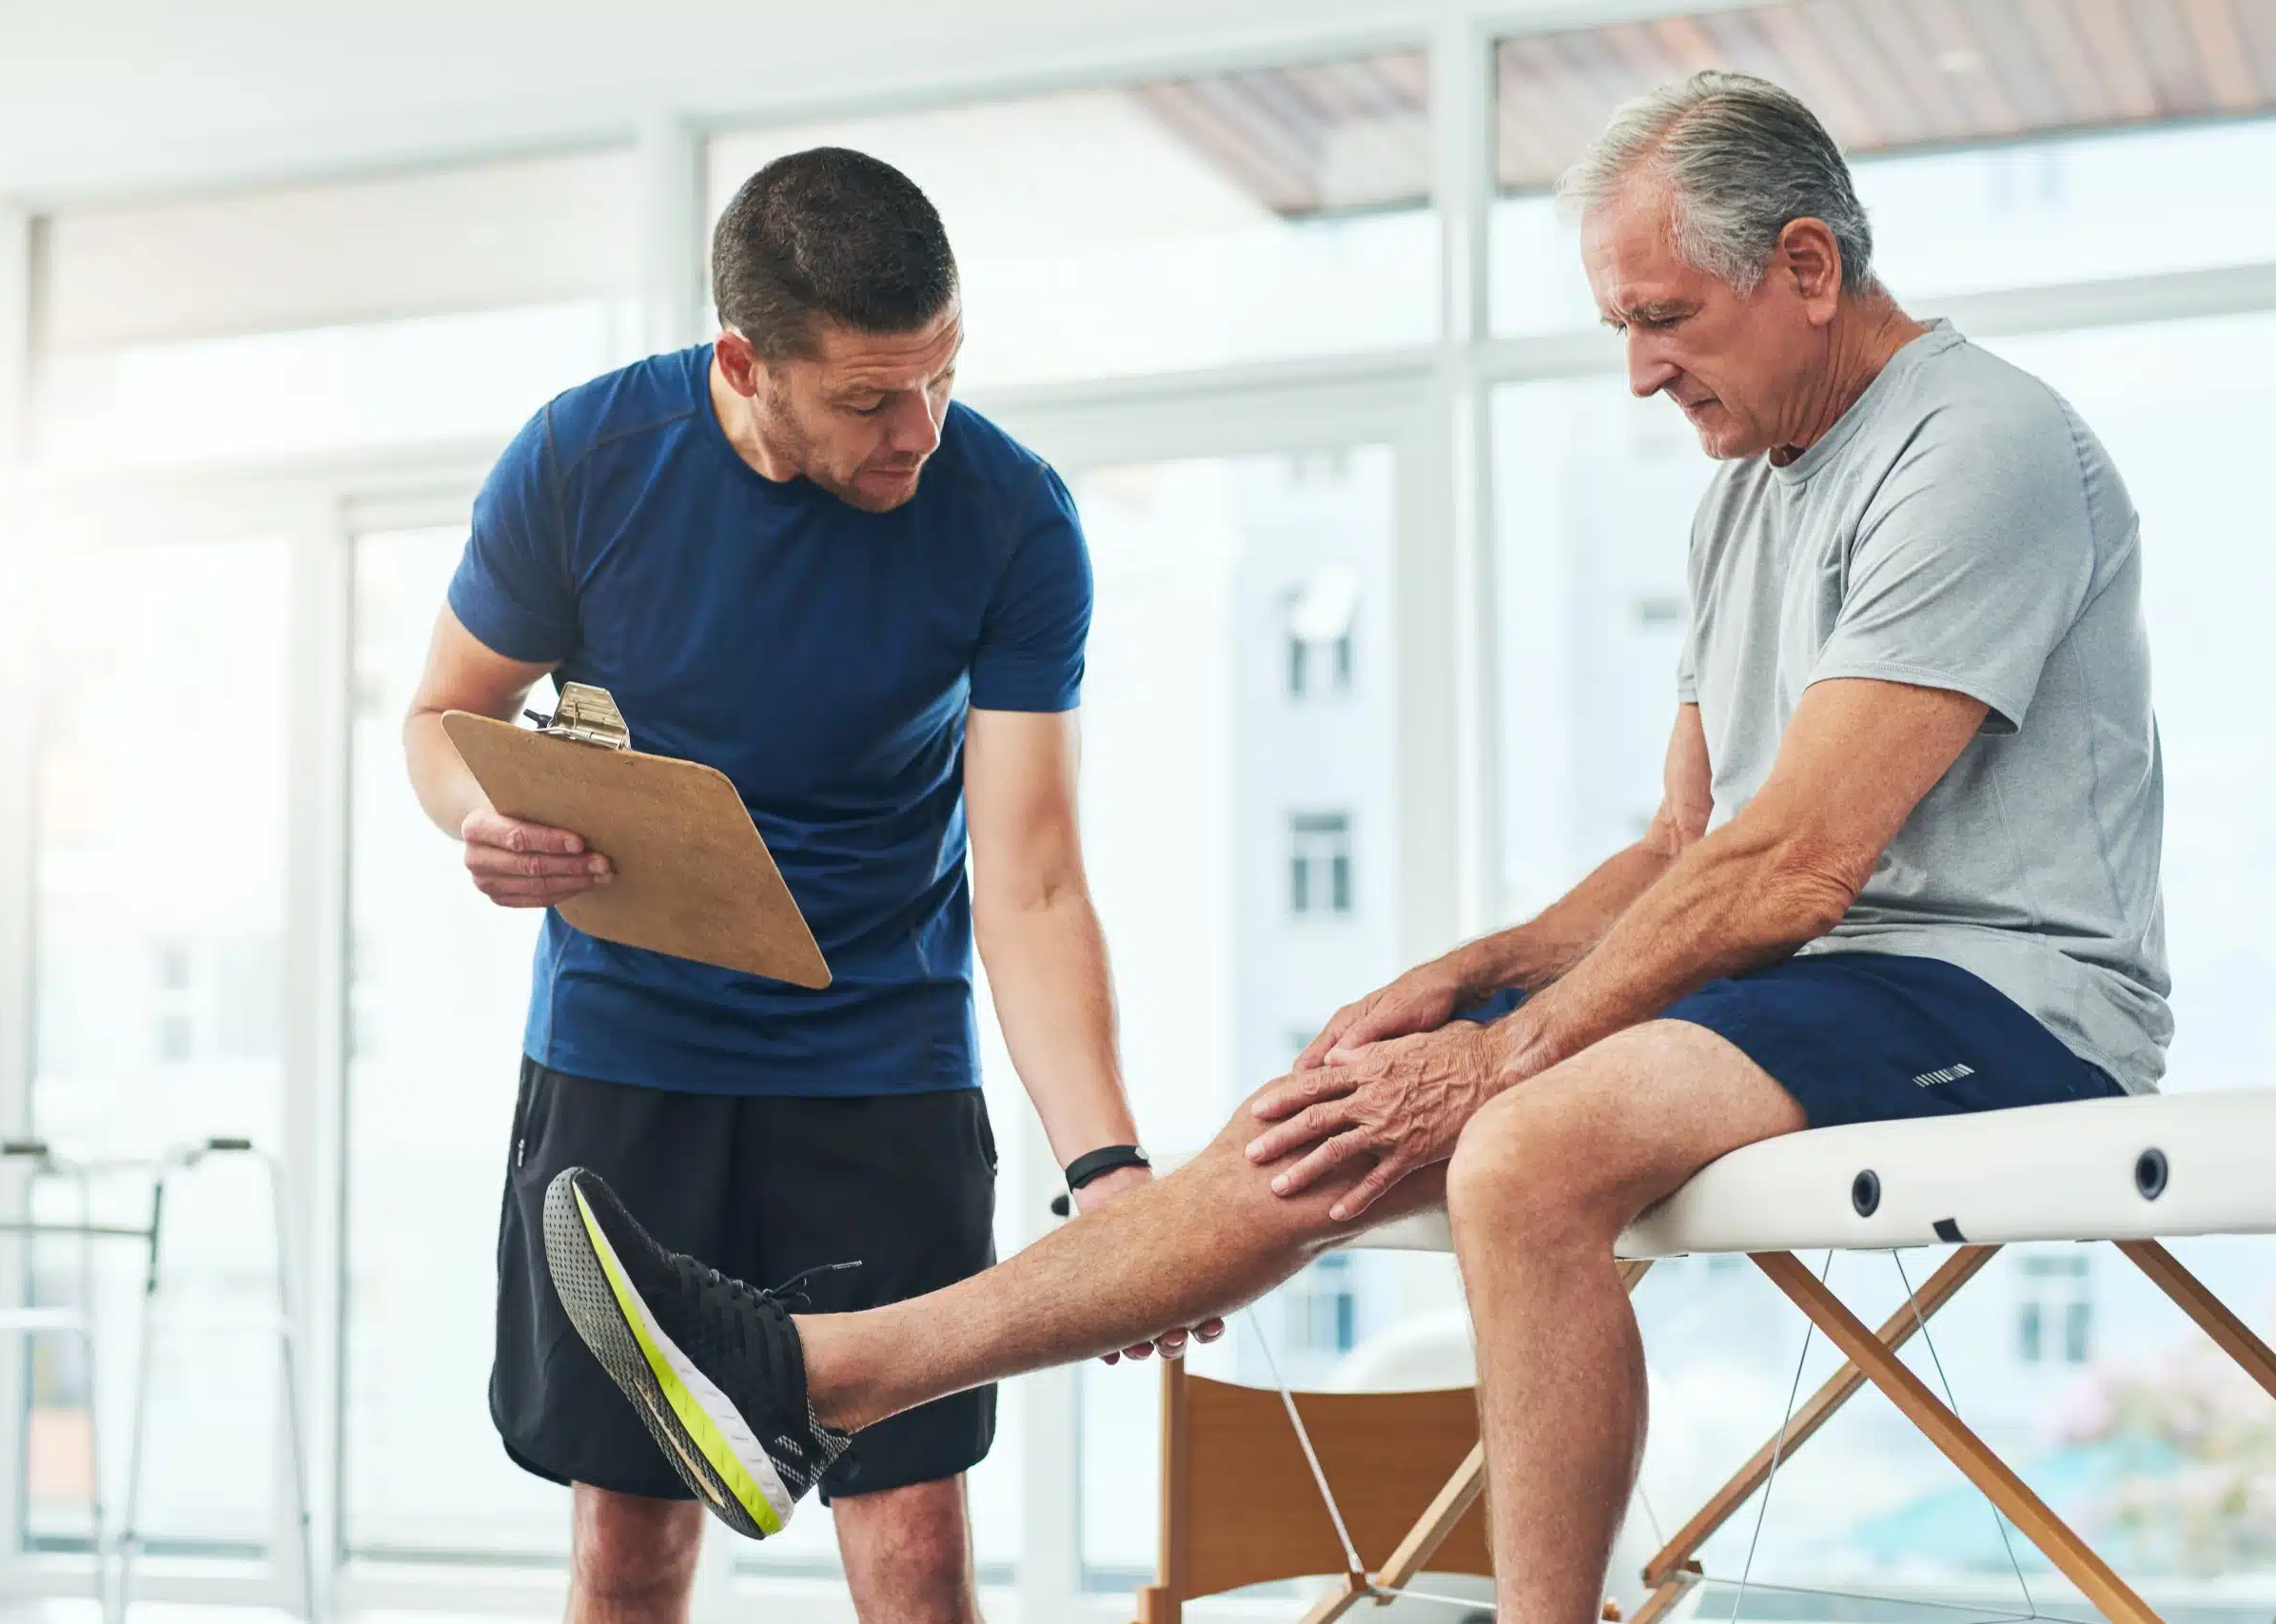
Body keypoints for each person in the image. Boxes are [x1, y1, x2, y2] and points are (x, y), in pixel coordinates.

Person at [540, 71, 2171, 1624]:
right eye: (1622, 328)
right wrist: (1452, 986)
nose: (1641, 374)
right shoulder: (1743, 492)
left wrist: (1502, 1059)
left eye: (1664, 320)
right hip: (1812, 986)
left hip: (1999, 995)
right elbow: (1686, 846)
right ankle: (821, 1376)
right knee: (1325, 1104)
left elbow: (1798, 863)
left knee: (1526, 1147)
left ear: (1807, 267)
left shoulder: (1975, 446)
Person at [403, 147, 1181, 1624]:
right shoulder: (583, 460)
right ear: (745, 363)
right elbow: (445, 718)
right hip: (626, 1052)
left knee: (915, 1544)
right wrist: (476, 819)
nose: (922, 432)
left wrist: (1107, 1171)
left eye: (943, 376)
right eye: (870, 399)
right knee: (627, 1546)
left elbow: (1030, 885)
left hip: (880, 1057)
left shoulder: (1013, 516)